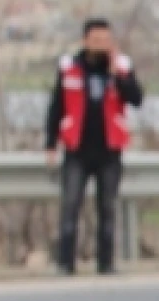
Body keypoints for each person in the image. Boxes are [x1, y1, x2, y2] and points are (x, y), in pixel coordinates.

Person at [43, 18, 143, 274]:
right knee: (70, 206)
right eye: (96, 40)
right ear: (85, 41)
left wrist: (118, 75)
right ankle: (65, 263)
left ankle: (106, 263)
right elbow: (57, 106)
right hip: (77, 149)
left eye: (106, 40)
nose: (101, 45)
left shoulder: (121, 67)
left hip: (109, 149)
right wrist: (50, 143)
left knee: (107, 208)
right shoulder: (70, 68)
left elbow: (136, 99)